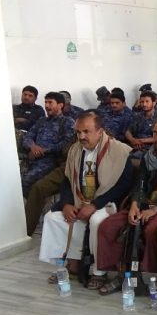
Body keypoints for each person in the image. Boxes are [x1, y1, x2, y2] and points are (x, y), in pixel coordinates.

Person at [95, 118, 157, 293]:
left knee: (152, 230)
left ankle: (155, 276)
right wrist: (135, 204)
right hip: (145, 203)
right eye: (155, 133)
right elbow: (140, 182)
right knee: (108, 226)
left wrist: (156, 208)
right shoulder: (148, 156)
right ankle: (122, 274)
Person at [38, 112, 133, 287]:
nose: (81, 136)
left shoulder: (120, 151)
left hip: (107, 202)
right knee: (53, 217)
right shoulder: (75, 150)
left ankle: (99, 272)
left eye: (86, 132)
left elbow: (124, 186)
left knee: (96, 220)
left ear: (100, 131)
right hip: (79, 200)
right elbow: (67, 180)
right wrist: (67, 204)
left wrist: (95, 205)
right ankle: (71, 266)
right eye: (78, 132)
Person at [20, 92, 75, 196]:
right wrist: (32, 147)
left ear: (60, 105)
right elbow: (28, 136)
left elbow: (67, 143)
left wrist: (44, 150)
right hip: (32, 157)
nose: (46, 106)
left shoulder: (67, 122)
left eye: (50, 102)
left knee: (26, 180)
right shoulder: (41, 121)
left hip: (51, 161)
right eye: (45, 102)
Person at [125, 90, 157, 157]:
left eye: (147, 101)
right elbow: (127, 131)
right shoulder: (137, 116)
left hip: (151, 147)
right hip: (134, 145)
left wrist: (141, 141)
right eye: (142, 102)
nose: (144, 104)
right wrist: (133, 140)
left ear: (154, 103)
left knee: (133, 157)